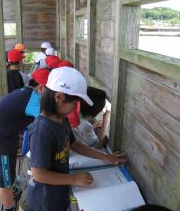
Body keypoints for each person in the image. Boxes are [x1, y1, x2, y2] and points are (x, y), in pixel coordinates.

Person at [25, 67, 126, 211]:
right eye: (74, 103)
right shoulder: (42, 131)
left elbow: (74, 144)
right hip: (44, 200)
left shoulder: (62, 119)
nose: (75, 108)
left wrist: (104, 157)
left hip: (59, 192)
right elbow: (39, 174)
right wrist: (74, 179)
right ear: (59, 97)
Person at [0, 68, 50, 211]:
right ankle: (9, 208)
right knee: (5, 181)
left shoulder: (25, 92)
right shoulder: (34, 99)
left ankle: (13, 187)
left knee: (7, 173)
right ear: (42, 87)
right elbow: (47, 122)